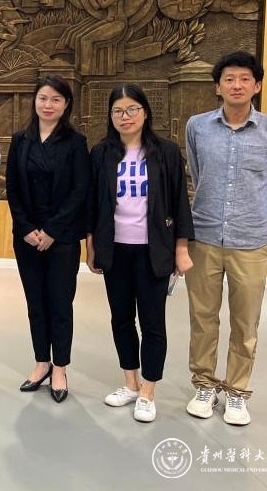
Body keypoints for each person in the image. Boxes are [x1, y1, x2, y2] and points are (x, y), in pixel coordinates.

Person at [184, 52, 267, 426]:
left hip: (252, 238)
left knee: (246, 323)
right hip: (205, 235)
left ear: (256, 86)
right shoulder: (197, 127)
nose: (237, 85)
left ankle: (237, 391)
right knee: (203, 318)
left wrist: (250, 212)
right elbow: (197, 173)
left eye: (245, 79)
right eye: (229, 79)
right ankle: (204, 384)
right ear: (218, 86)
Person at [87, 84, 194, 423]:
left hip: (153, 251)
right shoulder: (101, 153)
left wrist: (181, 249)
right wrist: (91, 246)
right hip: (115, 249)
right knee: (120, 319)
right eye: (118, 111)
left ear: (145, 112)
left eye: (132, 109)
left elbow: (179, 202)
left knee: (152, 322)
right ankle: (130, 383)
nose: (125, 116)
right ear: (111, 116)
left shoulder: (165, 152)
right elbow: (93, 205)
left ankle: (148, 390)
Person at [6, 76, 89, 404]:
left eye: (56, 99)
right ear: (35, 101)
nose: (48, 105)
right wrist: (26, 228)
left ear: (66, 104)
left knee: (60, 304)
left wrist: (52, 231)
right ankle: (42, 362)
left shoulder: (76, 142)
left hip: (62, 238)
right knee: (36, 304)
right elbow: (12, 188)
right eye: (43, 98)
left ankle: (60, 368)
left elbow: (79, 190)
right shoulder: (21, 139)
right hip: (26, 238)